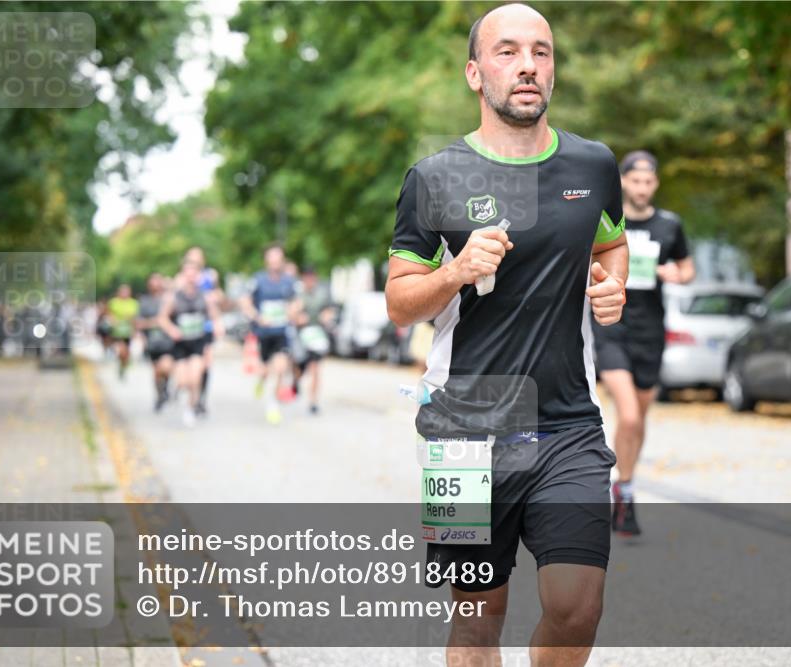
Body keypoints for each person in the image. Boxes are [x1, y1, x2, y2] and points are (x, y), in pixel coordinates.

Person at [385, 4, 628, 665]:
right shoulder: (435, 177)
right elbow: (400, 303)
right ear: (475, 73)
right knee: (476, 621)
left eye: (541, 52)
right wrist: (455, 271)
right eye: (508, 52)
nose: (528, 65)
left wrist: (612, 286)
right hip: (461, 428)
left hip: (568, 423)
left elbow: (611, 243)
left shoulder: (592, 165)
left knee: (576, 607)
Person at [592, 150, 695, 537]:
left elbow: (687, 268)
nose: (641, 188)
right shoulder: (606, 221)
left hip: (650, 330)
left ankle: (626, 485)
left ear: (656, 184)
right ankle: (623, 488)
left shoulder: (669, 224)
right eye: (635, 181)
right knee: (630, 415)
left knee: (639, 419)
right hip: (611, 325)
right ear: (623, 182)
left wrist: (676, 274)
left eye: (648, 181)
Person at [240, 244, 301, 425]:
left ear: (282, 260)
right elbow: (244, 301)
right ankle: (261, 380)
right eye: (272, 257)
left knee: (281, 367)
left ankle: (273, 404)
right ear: (266, 260)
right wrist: (257, 317)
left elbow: (297, 301)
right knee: (265, 370)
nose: (275, 261)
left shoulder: (289, 281)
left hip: (281, 332)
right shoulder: (258, 280)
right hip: (264, 333)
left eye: (278, 257)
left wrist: (293, 311)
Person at [159, 260, 224, 427]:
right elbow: (162, 318)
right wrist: (172, 329)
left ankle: (190, 408)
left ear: (199, 277)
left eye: (194, 274)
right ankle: (178, 390)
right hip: (180, 344)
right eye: (187, 274)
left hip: (198, 342)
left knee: (195, 378)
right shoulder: (174, 297)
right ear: (182, 275)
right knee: (183, 381)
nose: (191, 277)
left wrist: (218, 326)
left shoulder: (205, 297)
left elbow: (215, 316)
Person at [184, 247, 224, 416]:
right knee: (188, 365)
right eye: (191, 258)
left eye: (197, 258)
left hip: (205, 325)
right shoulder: (183, 276)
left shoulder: (211, 275)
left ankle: (201, 399)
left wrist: (216, 298)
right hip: (187, 328)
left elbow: (219, 295)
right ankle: (188, 390)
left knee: (206, 363)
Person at [293, 267, 334, 415]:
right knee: (299, 367)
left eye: (312, 277)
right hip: (301, 336)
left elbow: (330, 310)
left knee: (315, 369)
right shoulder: (297, 293)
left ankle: (313, 402)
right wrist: (297, 317)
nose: (309, 280)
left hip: (317, 336)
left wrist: (326, 316)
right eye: (307, 277)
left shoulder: (323, 293)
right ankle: (296, 380)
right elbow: (290, 313)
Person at [137, 273, 174, 412]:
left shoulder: (168, 299)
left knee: (166, 367)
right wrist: (154, 323)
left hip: (167, 341)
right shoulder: (144, 301)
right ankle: (159, 395)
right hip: (152, 342)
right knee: (156, 371)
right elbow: (139, 323)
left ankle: (165, 388)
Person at [106, 284, 139, 379]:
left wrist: (135, 331)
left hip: (128, 332)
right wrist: (112, 321)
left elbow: (135, 319)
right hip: (116, 332)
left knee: (126, 353)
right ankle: (120, 361)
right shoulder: (113, 302)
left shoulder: (134, 303)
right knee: (121, 350)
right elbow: (109, 314)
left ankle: (123, 366)